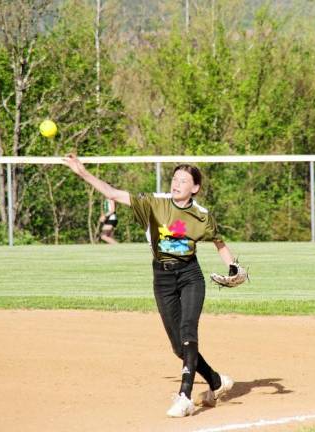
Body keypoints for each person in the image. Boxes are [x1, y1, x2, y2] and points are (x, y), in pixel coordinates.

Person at [63, 154, 236, 417]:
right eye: (174, 178)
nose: (176, 183)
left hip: (190, 275)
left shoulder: (201, 216)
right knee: (179, 347)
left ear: (195, 188)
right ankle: (215, 381)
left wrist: (233, 267)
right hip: (163, 279)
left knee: (188, 330)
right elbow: (113, 193)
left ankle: (184, 396)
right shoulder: (154, 204)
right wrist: (82, 172)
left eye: (183, 180)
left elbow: (219, 243)